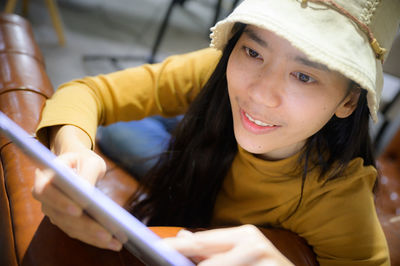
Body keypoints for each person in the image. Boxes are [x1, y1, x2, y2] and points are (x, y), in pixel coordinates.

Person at [33, 0, 400, 265]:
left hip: (186, 145)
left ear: (349, 102)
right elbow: (86, 92)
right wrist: (72, 149)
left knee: (133, 136)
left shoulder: (339, 201)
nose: (258, 92)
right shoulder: (215, 70)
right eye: (254, 52)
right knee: (122, 132)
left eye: (304, 76)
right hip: (196, 135)